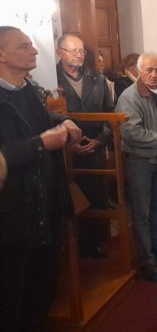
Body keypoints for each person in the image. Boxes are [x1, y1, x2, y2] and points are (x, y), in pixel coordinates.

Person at [0, 26, 82, 331]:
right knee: (10, 296)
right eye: (24, 46)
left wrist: (65, 120)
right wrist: (40, 144)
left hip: (45, 207)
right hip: (12, 215)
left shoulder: (29, 89)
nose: (35, 50)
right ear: (1, 55)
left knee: (42, 289)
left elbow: (45, 121)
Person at [56, 33, 114, 258]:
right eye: (74, 51)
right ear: (60, 52)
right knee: (69, 199)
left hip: (94, 147)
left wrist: (100, 140)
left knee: (96, 197)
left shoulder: (97, 78)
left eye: (82, 51)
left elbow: (110, 113)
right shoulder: (51, 78)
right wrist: (66, 145)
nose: (80, 55)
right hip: (65, 152)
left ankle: (95, 243)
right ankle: (72, 249)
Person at [115, 52, 157, 282]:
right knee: (141, 212)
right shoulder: (129, 96)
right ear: (138, 71)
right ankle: (146, 261)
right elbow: (130, 131)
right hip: (140, 161)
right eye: (149, 70)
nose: (154, 74)